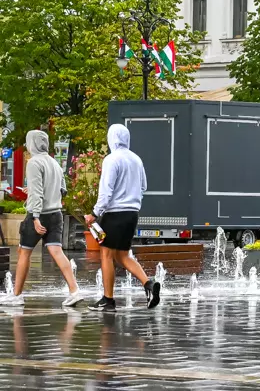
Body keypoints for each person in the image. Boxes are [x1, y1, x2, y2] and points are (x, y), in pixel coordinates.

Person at [0, 131, 84, 307]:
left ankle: (17, 295)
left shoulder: (33, 163)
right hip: (56, 214)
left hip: (39, 215)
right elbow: (62, 190)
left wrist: (36, 217)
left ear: (32, 143)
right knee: (57, 252)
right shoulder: (54, 162)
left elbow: (38, 193)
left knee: (24, 252)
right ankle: (74, 291)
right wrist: (32, 191)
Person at [84, 124, 160, 312]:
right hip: (132, 214)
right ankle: (148, 284)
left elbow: (106, 191)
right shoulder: (136, 159)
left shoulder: (112, 159)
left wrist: (95, 213)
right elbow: (143, 187)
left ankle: (108, 300)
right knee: (123, 255)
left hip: (114, 214)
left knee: (107, 255)